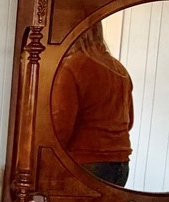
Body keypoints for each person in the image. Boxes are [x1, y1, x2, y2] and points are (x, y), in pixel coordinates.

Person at [50, 22, 134, 187]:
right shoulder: (120, 69)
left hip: (85, 163)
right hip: (121, 164)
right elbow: (128, 122)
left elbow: (61, 127)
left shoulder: (72, 67)